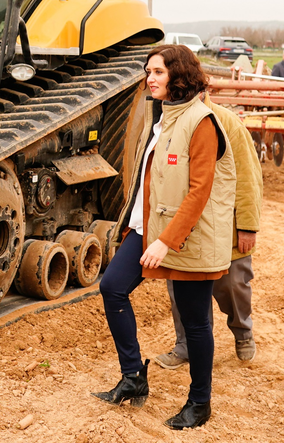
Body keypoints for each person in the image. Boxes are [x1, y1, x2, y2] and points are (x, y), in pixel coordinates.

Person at [93, 44, 236, 431]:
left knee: (195, 323)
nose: (149, 78)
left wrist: (166, 240)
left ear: (179, 75)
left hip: (186, 238)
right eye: (148, 72)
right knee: (112, 288)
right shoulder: (162, 119)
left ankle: (200, 403)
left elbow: (200, 190)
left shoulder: (201, 121)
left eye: (157, 72)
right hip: (147, 229)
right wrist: (137, 227)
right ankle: (134, 377)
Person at [156, 92, 262, 370]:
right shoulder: (170, 123)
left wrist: (247, 225)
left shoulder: (227, 123)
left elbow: (248, 177)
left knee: (233, 285)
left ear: (202, 90)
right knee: (180, 287)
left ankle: (242, 333)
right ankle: (186, 346)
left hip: (223, 224)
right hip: (184, 224)